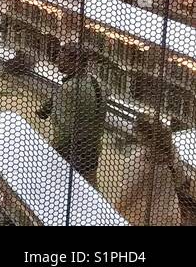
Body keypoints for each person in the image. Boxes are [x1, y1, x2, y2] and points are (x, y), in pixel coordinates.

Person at [36, 43, 106, 185]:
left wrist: (53, 153)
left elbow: (63, 129)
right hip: (92, 148)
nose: (57, 61)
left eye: (62, 59)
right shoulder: (97, 81)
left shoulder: (69, 88)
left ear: (75, 62)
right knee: (88, 186)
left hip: (71, 151)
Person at [117, 114, 184, 226]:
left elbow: (124, 198)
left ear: (142, 135)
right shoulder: (173, 153)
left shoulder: (137, 160)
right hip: (171, 217)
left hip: (144, 219)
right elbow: (180, 180)